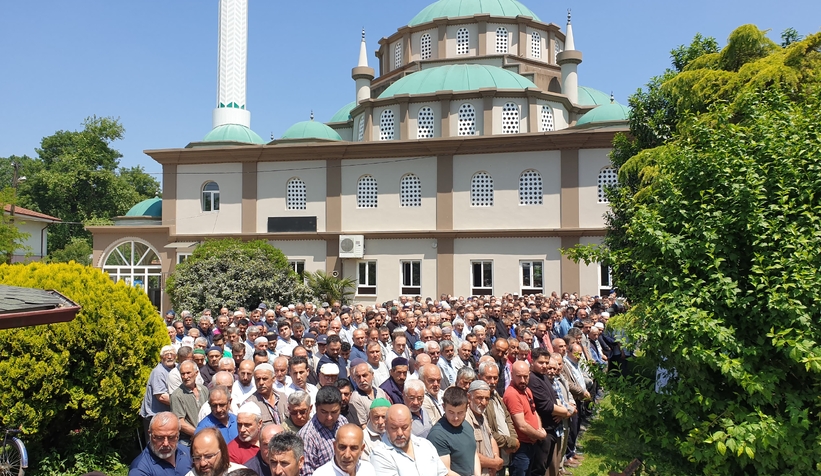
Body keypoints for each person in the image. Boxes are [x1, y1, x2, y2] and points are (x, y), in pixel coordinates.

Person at [369, 404, 448, 476]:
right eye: (394, 428)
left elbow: (442, 473)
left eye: (404, 427)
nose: (400, 433)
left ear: (411, 424)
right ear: (386, 425)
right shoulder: (379, 455)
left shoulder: (425, 445)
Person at [503, 361, 546, 476]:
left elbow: (534, 411)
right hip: (521, 447)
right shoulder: (512, 394)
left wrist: (539, 430)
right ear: (512, 375)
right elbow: (521, 425)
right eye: (519, 376)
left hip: (531, 443)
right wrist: (539, 435)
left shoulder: (526, 390)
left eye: (525, 376)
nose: (522, 380)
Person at [298, 385, 350, 476]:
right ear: (316, 407)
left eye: (334, 412)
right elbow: (307, 473)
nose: (329, 417)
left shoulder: (342, 421)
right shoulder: (307, 437)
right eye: (324, 412)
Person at [427, 387, 479, 476]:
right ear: (443, 407)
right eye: (451, 412)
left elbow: (473, 453)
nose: (456, 418)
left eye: (460, 413)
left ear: (467, 408)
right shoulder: (437, 435)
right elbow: (445, 471)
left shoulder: (467, 426)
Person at [477, 362, 519, 469]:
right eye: (489, 378)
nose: (492, 382)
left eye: (495, 378)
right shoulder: (479, 401)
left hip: (506, 452)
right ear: (479, 377)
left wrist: (513, 440)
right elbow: (488, 430)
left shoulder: (496, 395)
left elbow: (508, 419)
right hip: (492, 453)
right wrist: (509, 442)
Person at [129, 412, 192, 476]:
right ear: (150, 434)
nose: (166, 443)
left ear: (178, 434)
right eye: (159, 438)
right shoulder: (140, 470)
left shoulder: (188, 453)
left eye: (171, 437)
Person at [465, 381, 503, 476]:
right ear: (469, 397)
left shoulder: (482, 415)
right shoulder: (465, 419)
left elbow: (491, 438)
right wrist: (494, 463)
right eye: (479, 398)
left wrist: (496, 457)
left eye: (487, 398)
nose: (484, 402)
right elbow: (469, 454)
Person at [140, 346, 177, 439]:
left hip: (167, 415)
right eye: (166, 355)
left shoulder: (177, 368)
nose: (169, 357)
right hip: (154, 416)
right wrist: (181, 404)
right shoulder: (159, 372)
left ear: (176, 356)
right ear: (161, 358)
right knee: (155, 445)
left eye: (172, 354)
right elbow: (161, 397)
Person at [171, 361, 209, 446]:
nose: (185, 377)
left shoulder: (204, 390)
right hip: (188, 442)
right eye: (182, 374)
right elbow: (180, 422)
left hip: (207, 437)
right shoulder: (177, 395)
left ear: (196, 373)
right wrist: (198, 433)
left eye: (188, 373)